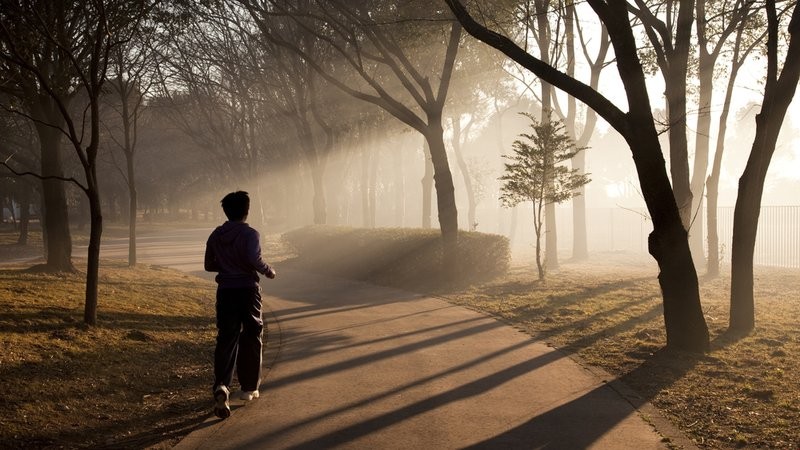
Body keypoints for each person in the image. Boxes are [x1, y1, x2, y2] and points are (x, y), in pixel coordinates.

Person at [204, 191, 276, 419]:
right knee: (253, 335)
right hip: (247, 290)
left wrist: (227, 265)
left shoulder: (216, 235)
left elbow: (208, 265)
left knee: (227, 337)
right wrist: (268, 270)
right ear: (246, 210)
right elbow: (254, 260)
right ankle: (248, 388)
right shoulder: (251, 234)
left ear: (226, 211)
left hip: (225, 291)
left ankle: (222, 386)